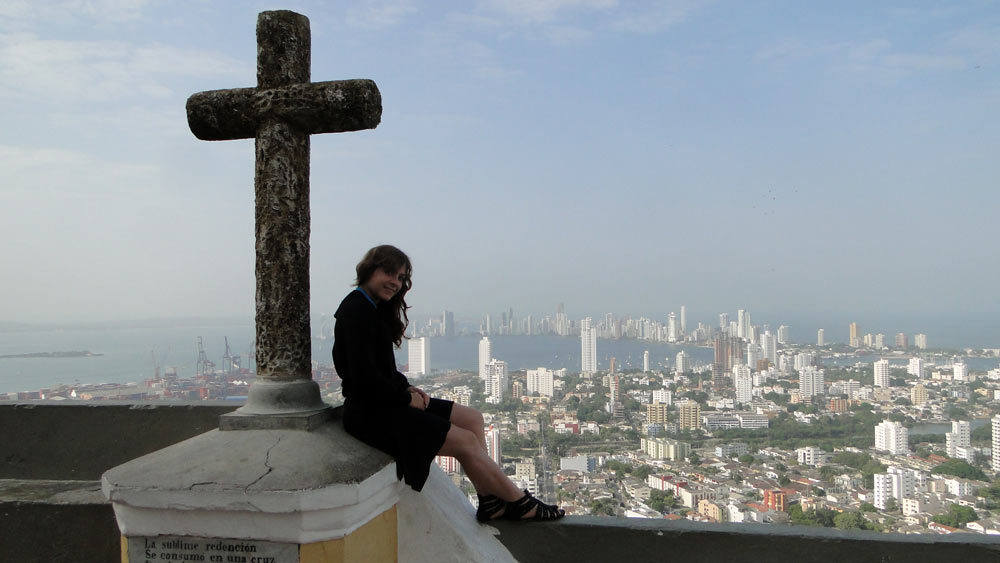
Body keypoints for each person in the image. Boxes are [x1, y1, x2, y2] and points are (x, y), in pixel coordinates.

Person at [333, 245, 564, 522]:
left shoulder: (372, 308)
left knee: (472, 419)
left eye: (401, 277)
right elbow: (363, 379)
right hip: (370, 414)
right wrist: (405, 399)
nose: (395, 282)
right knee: (465, 441)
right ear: (369, 270)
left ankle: (489, 500)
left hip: (387, 402)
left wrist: (406, 388)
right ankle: (521, 503)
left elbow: (383, 369)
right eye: (389, 273)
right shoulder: (356, 311)